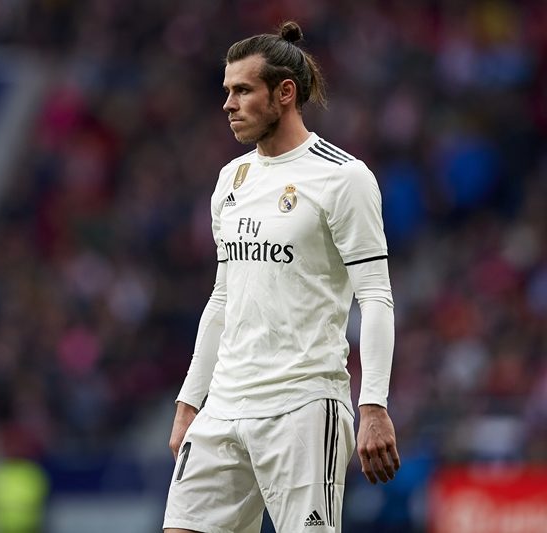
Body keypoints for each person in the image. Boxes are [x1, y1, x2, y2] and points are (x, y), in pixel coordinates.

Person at [163, 21, 400, 533]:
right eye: (227, 91)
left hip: (303, 406)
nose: (228, 104)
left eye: (242, 91)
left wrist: (373, 405)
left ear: (284, 93)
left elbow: (376, 297)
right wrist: (188, 403)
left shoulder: (343, 177)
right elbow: (222, 299)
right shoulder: (231, 180)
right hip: (224, 405)